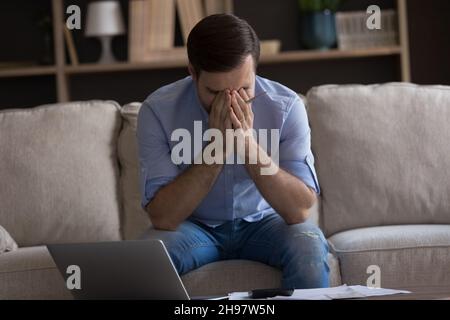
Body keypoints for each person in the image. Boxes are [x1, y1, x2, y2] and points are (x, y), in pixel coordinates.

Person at [137, 14, 329, 289]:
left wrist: (247, 144)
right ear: (192, 72)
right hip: (195, 229)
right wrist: (217, 148)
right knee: (147, 258)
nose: (230, 102)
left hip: (264, 223)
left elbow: (299, 211)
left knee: (308, 244)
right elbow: (164, 218)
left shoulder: (286, 106)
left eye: (244, 89)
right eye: (215, 93)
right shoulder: (157, 111)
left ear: (255, 70)